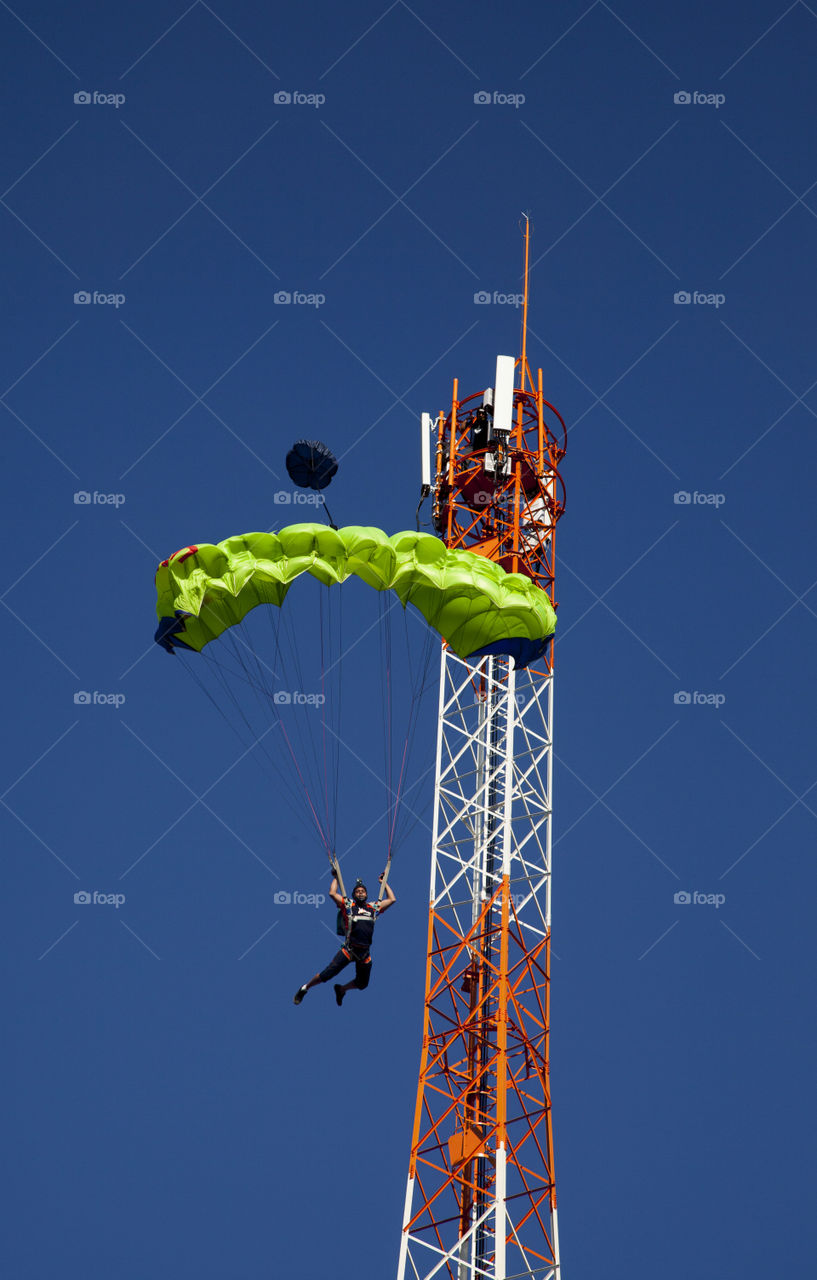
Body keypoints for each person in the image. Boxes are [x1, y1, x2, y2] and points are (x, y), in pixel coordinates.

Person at [293, 872, 396, 1007]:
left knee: (363, 983)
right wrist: (336, 877)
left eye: (363, 891)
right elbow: (332, 893)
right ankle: (305, 988)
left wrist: (384, 883)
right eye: (358, 891)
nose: (360, 893)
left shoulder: (373, 907)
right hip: (349, 949)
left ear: (366, 894)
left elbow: (392, 899)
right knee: (327, 974)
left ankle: (341, 990)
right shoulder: (348, 905)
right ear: (354, 895)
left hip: (364, 953)